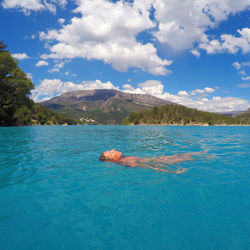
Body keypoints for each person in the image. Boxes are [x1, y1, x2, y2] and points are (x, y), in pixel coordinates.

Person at [99, 149, 207, 174]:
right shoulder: (126, 163)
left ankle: (203, 154)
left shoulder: (124, 158)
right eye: (111, 152)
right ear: (112, 160)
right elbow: (150, 166)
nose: (113, 150)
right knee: (185, 158)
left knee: (184, 156)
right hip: (161, 162)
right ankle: (205, 156)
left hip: (159, 159)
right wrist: (172, 171)